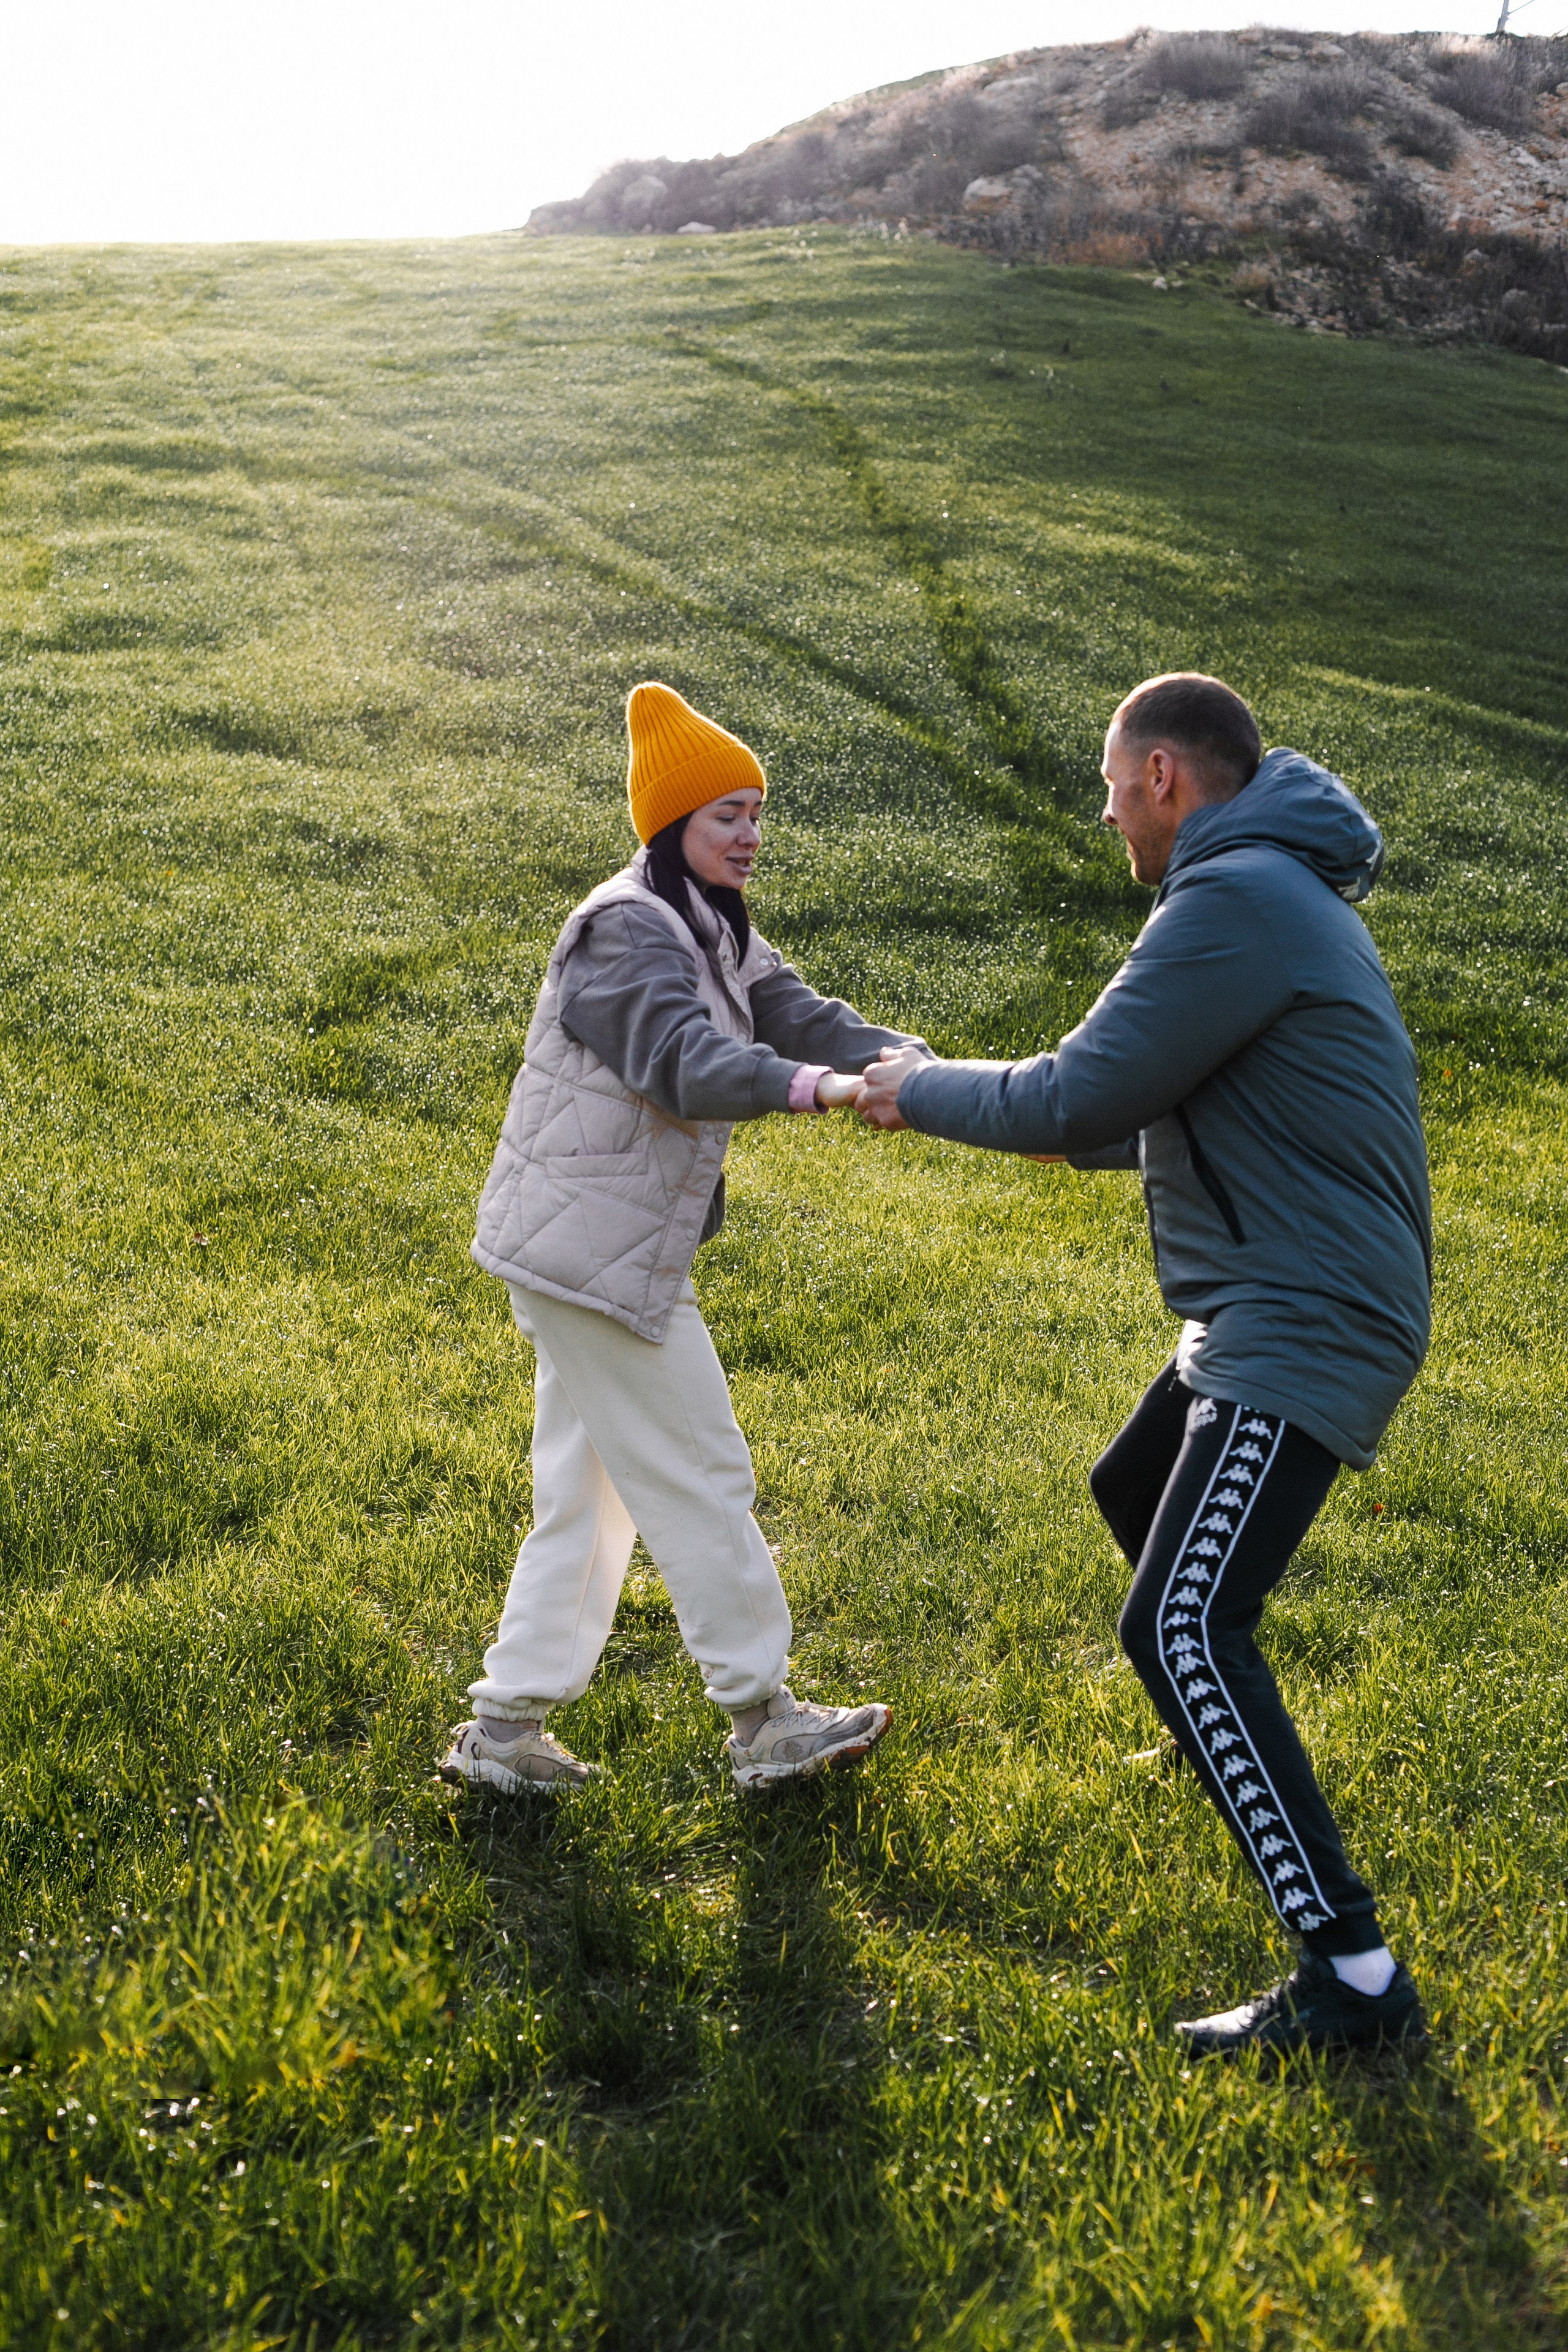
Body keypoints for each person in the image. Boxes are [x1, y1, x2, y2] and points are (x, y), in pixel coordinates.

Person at [856, 672, 1432, 2057]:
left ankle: (1353, 1982)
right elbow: (1116, 1114)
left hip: (1304, 1313)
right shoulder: (1265, 888)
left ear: (1163, 777)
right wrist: (994, 1099)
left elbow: (1076, 1093)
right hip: (1270, 1295)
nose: (1104, 810)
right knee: (1137, 1490)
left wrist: (909, 1087)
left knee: (1177, 1625)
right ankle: (1229, 1768)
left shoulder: (1230, 899)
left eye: (1110, 783)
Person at [444, 680, 924, 1798]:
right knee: (703, 1466)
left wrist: (938, 1077)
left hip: (596, 1251)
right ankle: (765, 1721)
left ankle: (504, 1732)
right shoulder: (627, 930)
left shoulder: (710, 926)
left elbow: (805, 1013)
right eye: (727, 815)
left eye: (758, 812)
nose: (751, 834)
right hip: (592, 1256)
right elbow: (681, 1060)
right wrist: (821, 1092)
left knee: (593, 1492)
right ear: (672, 824)